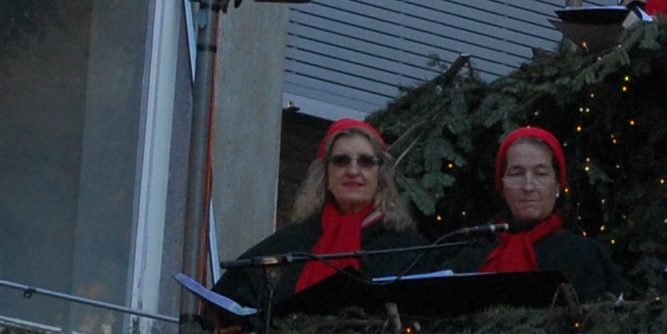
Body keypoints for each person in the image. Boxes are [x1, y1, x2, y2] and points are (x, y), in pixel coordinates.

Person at [223, 116, 421, 305]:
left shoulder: (405, 246)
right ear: (326, 175)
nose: (353, 171)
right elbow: (232, 296)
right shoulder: (293, 240)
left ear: (381, 176)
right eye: (341, 161)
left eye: (366, 162)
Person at [444, 126, 628, 298]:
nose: (528, 186)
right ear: (503, 186)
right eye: (516, 174)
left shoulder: (586, 256)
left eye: (540, 174)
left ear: (557, 185)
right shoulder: (473, 256)